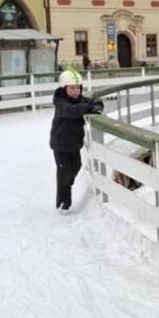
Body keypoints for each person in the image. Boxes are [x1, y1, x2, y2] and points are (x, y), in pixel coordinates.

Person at [49, 68, 103, 213]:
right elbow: (70, 111)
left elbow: (95, 100)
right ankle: (63, 204)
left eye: (78, 88)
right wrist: (89, 107)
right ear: (64, 88)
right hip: (60, 144)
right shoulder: (60, 102)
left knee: (76, 166)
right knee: (64, 174)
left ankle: (66, 183)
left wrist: (96, 106)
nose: (76, 91)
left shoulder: (80, 100)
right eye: (72, 88)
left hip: (74, 144)